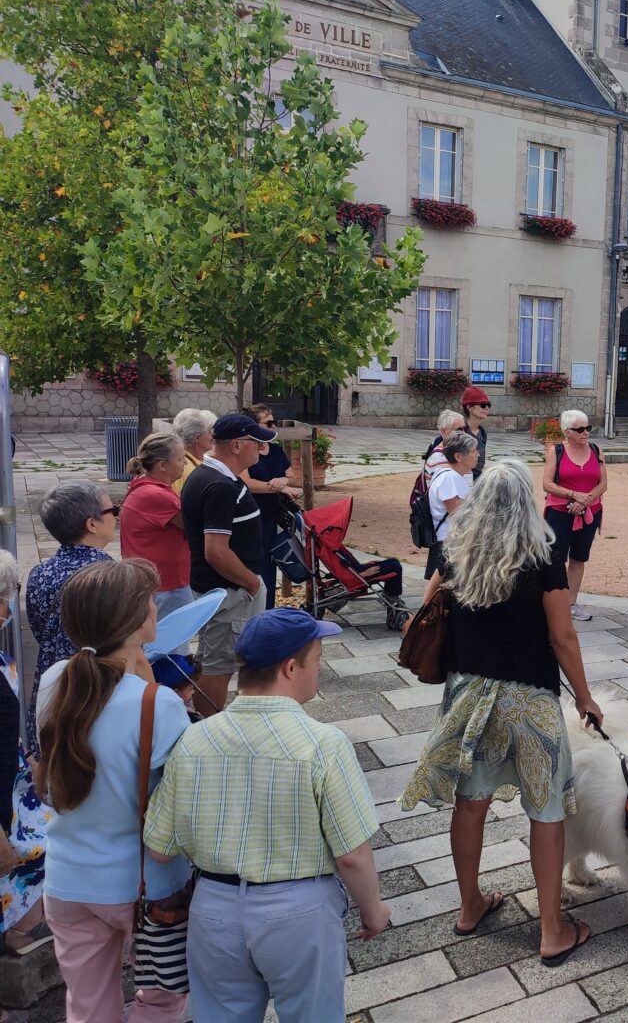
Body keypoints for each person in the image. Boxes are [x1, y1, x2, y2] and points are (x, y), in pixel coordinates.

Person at [400, 460, 603, 966]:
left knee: (471, 802)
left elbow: (426, 613)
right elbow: (562, 637)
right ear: (526, 505)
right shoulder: (542, 558)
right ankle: (551, 930)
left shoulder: (455, 553)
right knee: (547, 810)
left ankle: (470, 906)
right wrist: (583, 696)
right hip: (529, 697)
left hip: (469, 693)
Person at [144, 608, 389, 1022]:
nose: (320, 670)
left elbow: (160, 848)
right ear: (291, 668)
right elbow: (352, 855)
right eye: (317, 661)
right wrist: (373, 908)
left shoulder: (193, 739)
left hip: (214, 908)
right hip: (299, 911)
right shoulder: (323, 744)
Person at [37, 560, 191, 1022]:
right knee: (164, 998)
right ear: (137, 620)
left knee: (86, 1004)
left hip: (66, 877)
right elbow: (177, 798)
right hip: (144, 886)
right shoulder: (159, 703)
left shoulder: (53, 680)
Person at [180, 412, 273, 717]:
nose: (262, 449)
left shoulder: (214, 476)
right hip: (229, 592)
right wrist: (252, 582)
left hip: (223, 590)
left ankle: (209, 722)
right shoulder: (219, 485)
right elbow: (216, 551)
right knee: (220, 665)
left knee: (214, 660)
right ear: (236, 445)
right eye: (256, 443)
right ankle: (210, 728)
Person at [23, 480, 116, 751]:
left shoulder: (39, 573)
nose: (116, 517)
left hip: (52, 689)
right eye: (113, 511)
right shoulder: (108, 574)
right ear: (92, 524)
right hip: (97, 690)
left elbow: (40, 630)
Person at [1, 551, 51, 958]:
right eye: (11, 593)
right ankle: (17, 931)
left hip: (16, 779)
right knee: (37, 846)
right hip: (6, 796)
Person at [541, 410, 608, 622]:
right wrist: (572, 495)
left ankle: (571, 602)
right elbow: (547, 484)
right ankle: (552, 602)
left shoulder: (597, 450)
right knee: (555, 558)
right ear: (567, 432)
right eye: (580, 429)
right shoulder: (556, 451)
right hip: (560, 512)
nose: (586, 432)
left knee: (579, 557)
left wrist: (584, 501)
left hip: (589, 511)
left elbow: (603, 484)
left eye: (588, 428)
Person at [122, 433, 194, 620]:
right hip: (165, 586)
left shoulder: (145, 484)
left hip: (158, 582)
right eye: (180, 459)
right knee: (170, 644)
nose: (185, 464)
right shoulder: (157, 495)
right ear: (162, 465)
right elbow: (196, 526)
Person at [241, 404, 302, 608]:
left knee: (274, 564)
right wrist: (277, 488)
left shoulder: (275, 450)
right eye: (268, 422)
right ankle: (259, 614)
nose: (274, 425)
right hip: (253, 519)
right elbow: (247, 483)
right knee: (260, 566)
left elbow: (292, 478)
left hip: (276, 518)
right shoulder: (245, 450)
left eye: (273, 421)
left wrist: (284, 482)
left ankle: (268, 611)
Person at [426, 431, 479, 578]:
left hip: (448, 542)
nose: (478, 455)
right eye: (473, 451)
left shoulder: (445, 474)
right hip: (449, 545)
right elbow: (458, 516)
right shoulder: (451, 478)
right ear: (458, 457)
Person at [170, 408, 217, 496]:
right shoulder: (183, 468)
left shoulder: (193, 462)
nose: (213, 436)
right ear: (196, 438)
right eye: (209, 432)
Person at [424, 410, 467, 481]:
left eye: (464, 428)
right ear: (443, 431)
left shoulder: (456, 450)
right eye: (459, 429)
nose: (464, 433)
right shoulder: (439, 457)